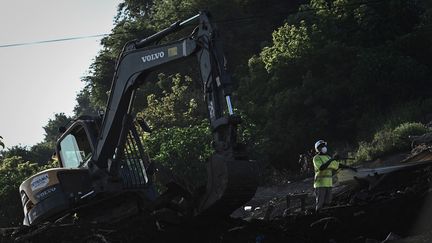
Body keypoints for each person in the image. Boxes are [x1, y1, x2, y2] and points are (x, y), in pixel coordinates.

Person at [312, 139, 356, 211]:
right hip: (320, 184)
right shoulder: (316, 158)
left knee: (328, 203)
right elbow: (321, 167)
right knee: (320, 204)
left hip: (329, 184)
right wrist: (331, 160)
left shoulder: (328, 157)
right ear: (318, 148)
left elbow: (338, 165)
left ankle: (325, 217)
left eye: (324, 145)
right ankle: (317, 216)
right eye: (322, 146)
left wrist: (350, 167)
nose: (324, 147)